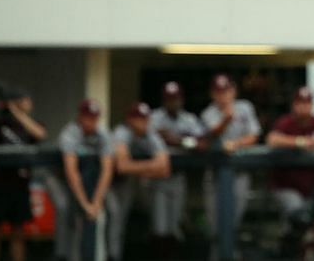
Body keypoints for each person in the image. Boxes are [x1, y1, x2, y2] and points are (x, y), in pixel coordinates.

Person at [266, 87, 314, 254]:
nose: (304, 107)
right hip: (285, 186)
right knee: (298, 217)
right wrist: (301, 142)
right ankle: (287, 251)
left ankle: (306, 248)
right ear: (294, 105)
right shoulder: (287, 122)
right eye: (300, 103)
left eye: (307, 103)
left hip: (310, 187)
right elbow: (272, 139)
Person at [0, 86, 47, 261]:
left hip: (21, 184)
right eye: (25, 100)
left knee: (18, 233)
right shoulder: (0, 124)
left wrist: (17, 112)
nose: (29, 103)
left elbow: (40, 134)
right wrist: (6, 110)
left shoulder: (31, 124)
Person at [200, 74, 261, 246]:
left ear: (233, 91)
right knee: (215, 227)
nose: (223, 96)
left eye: (226, 91)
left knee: (233, 223)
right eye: (219, 92)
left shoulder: (244, 108)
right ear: (213, 94)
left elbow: (254, 135)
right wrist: (226, 119)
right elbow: (210, 134)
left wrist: (236, 143)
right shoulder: (208, 113)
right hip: (215, 174)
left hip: (239, 173)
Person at [106, 102, 171, 261]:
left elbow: (165, 167)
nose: (143, 122)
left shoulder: (150, 134)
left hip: (125, 182)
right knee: (112, 221)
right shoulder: (122, 132)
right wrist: (150, 166)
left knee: (120, 222)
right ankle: (110, 256)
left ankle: (115, 255)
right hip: (106, 182)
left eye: (145, 118)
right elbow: (122, 166)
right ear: (130, 119)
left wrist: (136, 167)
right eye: (138, 119)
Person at [54, 99, 113, 261]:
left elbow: (107, 170)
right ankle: (62, 255)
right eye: (88, 118)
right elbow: (71, 173)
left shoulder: (103, 133)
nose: (92, 122)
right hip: (60, 179)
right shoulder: (69, 134)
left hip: (90, 179)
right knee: (64, 208)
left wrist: (96, 202)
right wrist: (85, 204)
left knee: (108, 212)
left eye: (95, 118)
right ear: (80, 117)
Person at [150, 82, 205, 253]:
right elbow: (149, 140)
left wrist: (178, 140)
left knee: (175, 225)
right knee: (159, 227)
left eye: (175, 99)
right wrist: (184, 141)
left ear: (181, 100)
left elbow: (201, 143)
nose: (172, 103)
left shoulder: (188, 119)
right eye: (169, 99)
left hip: (178, 176)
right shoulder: (153, 117)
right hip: (156, 179)